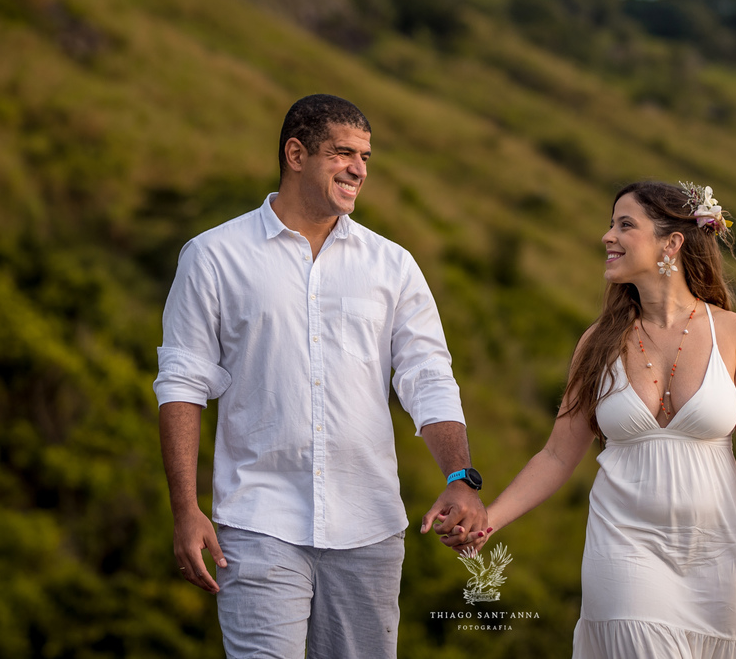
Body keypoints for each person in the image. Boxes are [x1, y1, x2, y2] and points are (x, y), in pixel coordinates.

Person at [153, 94, 487, 659]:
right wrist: (186, 508)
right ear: (296, 153)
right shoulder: (213, 256)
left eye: (365, 156)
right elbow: (183, 386)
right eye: (342, 153)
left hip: (369, 529)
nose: (358, 168)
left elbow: (428, 379)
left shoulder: (393, 266)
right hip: (258, 523)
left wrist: (460, 474)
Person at [459, 180, 736, 658]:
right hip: (624, 549)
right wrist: (488, 521)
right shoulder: (597, 342)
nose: (607, 236)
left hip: (720, 558)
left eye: (625, 225)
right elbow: (557, 454)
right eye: (611, 224)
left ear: (672, 242)